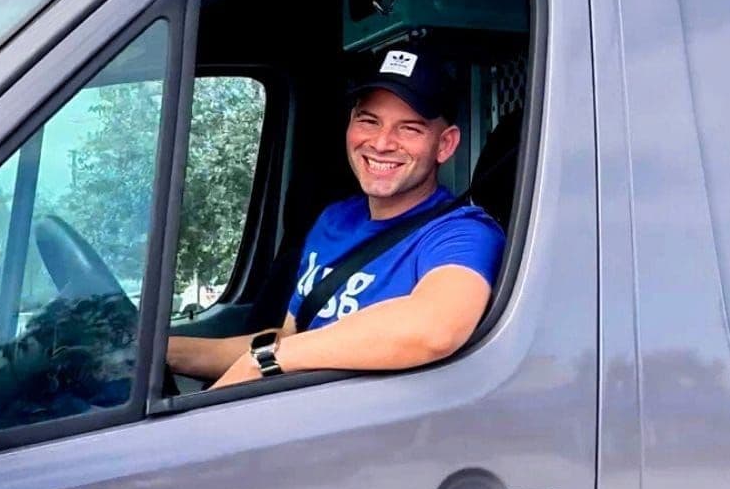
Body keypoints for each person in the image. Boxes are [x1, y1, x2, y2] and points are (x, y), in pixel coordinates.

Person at [167, 46, 505, 389]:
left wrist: (265, 363)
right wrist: (170, 353)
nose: (382, 143)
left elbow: (436, 328)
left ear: (445, 145)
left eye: (409, 129)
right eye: (369, 121)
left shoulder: (462, 233)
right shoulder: (334, 219)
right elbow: (291, 335)